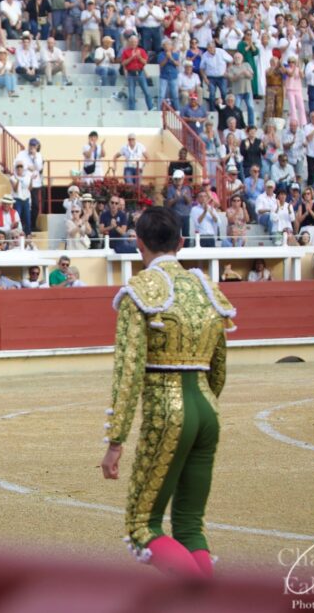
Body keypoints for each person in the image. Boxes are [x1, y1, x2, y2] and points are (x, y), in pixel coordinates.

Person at [101, 206, 235, 578]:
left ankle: (203, 598)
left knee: (143, 525)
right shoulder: (208, 289)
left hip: (167, 410)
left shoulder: (139, 291)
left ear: (138, 243)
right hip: (207, 411)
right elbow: (219, 368)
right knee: (190, 525)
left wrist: (115, 441)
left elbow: (128, 372)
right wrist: (204, 409)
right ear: (181, 242)